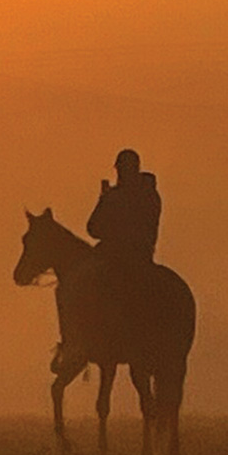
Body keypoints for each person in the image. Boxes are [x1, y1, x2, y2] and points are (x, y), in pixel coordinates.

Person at [52, 150, 161, 373]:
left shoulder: (117, 196)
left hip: (117, 257)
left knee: (72, 285)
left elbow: (93, 229)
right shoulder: (151, 194)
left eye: (122, 169)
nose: (120, 173)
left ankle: (74, 344)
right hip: (144, 256)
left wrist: (105, 200)